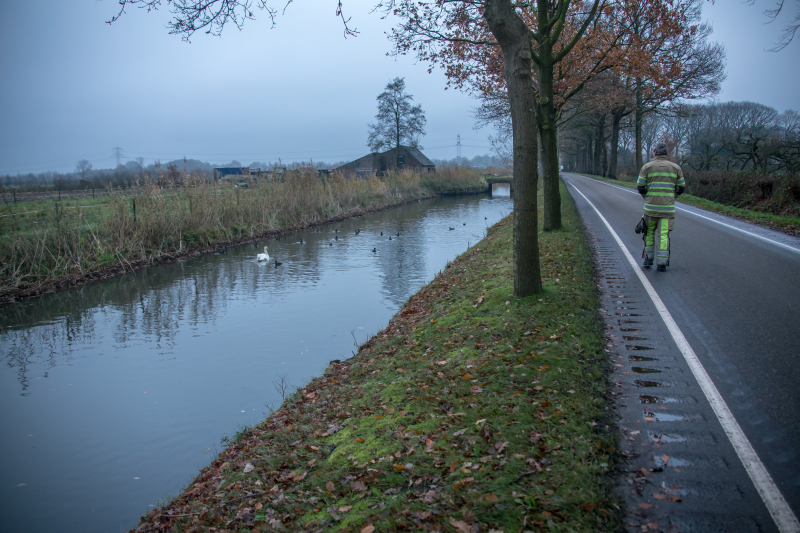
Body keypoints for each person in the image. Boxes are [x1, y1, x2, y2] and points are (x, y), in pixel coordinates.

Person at [637, 142, 685, 272]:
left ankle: (648, 259)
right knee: (663, 234)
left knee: (649, 232)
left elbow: (640, 187)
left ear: (655, 152)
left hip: (651, 209)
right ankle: (662, 263)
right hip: (667, 210)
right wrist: (672, 197)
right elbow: (681, 187)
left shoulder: (647, 167)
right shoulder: (676, 168)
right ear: (666, 153)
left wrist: (648, 198)